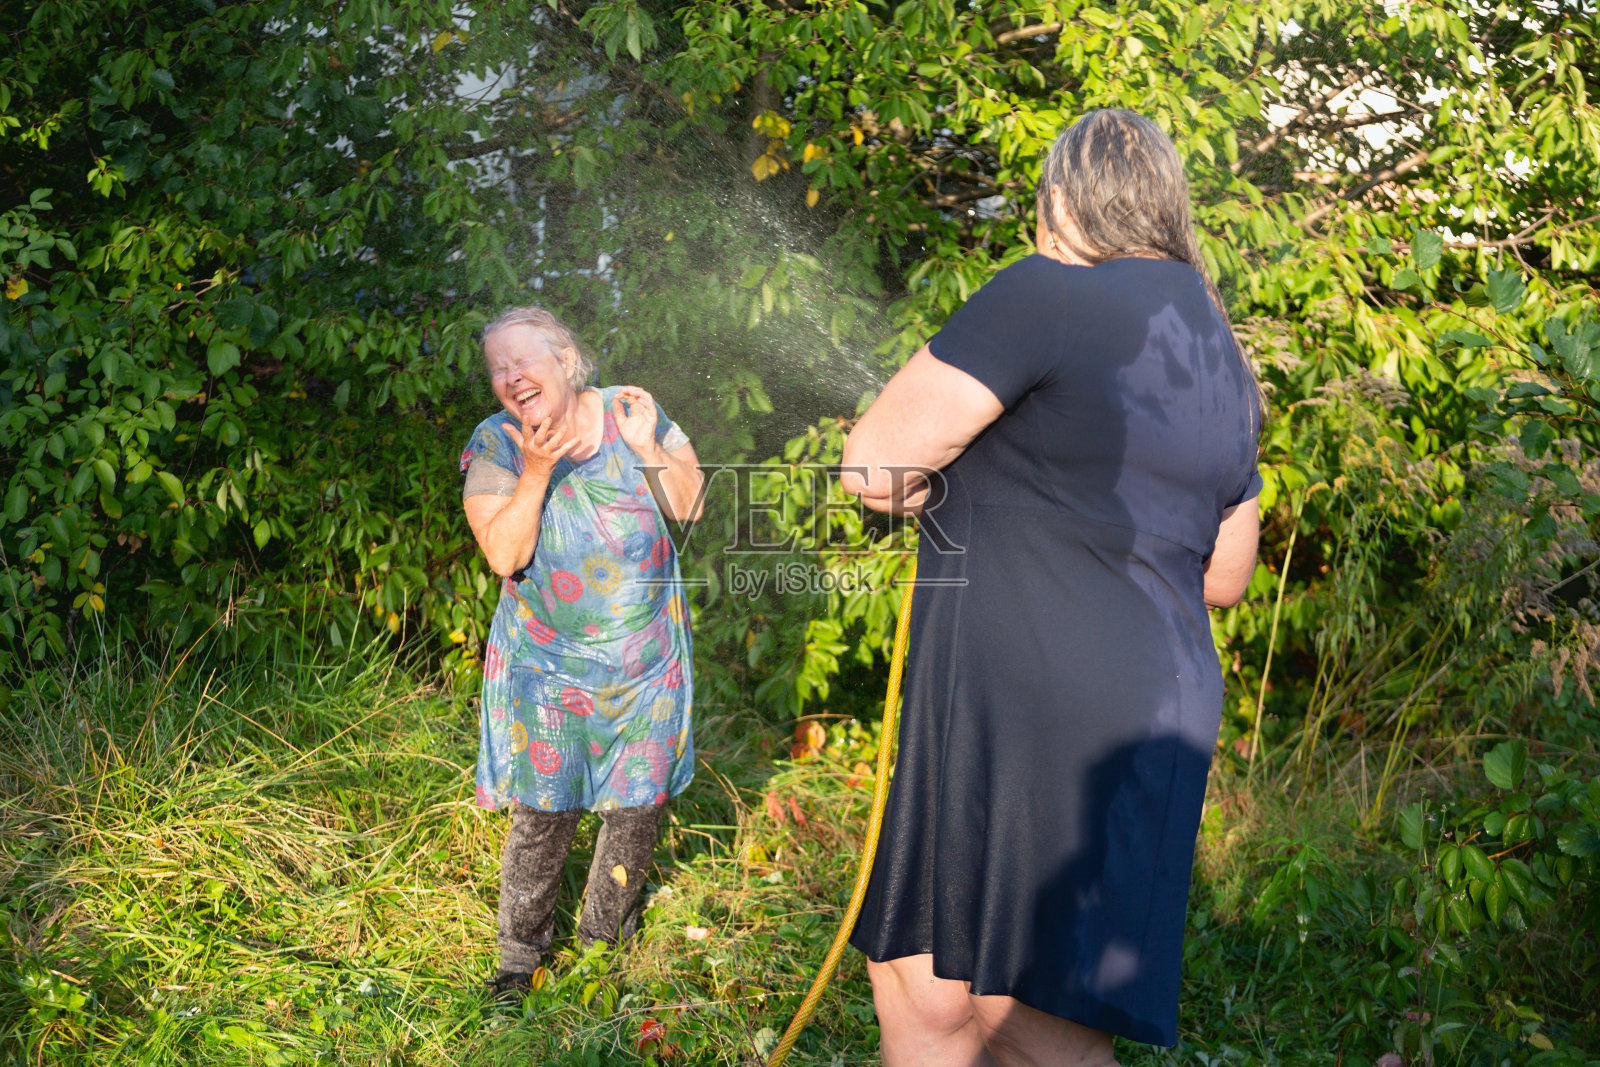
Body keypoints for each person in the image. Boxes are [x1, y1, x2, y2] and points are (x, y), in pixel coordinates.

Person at [840, 109, 1262, 1065]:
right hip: (1156, 702)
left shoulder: (1043, 294)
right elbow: (1226, 575)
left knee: (1022, 1014)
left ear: (1060, 202)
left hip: (1030, 703)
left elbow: (872, 471)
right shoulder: (1221, 354)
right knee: (928, 980)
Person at [458, 306, 704, 1000]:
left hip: (646, 662)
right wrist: (536, 471)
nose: (509, 377)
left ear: (565, 359)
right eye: (497, 367)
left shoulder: (632, 410)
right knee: (544, 812)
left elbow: (690, 506)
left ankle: (603, 947)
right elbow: (505, 552)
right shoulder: (498, 442)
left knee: (635, 812)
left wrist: (649, 445)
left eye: (521, 359)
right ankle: (516, 960)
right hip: (549, 666)